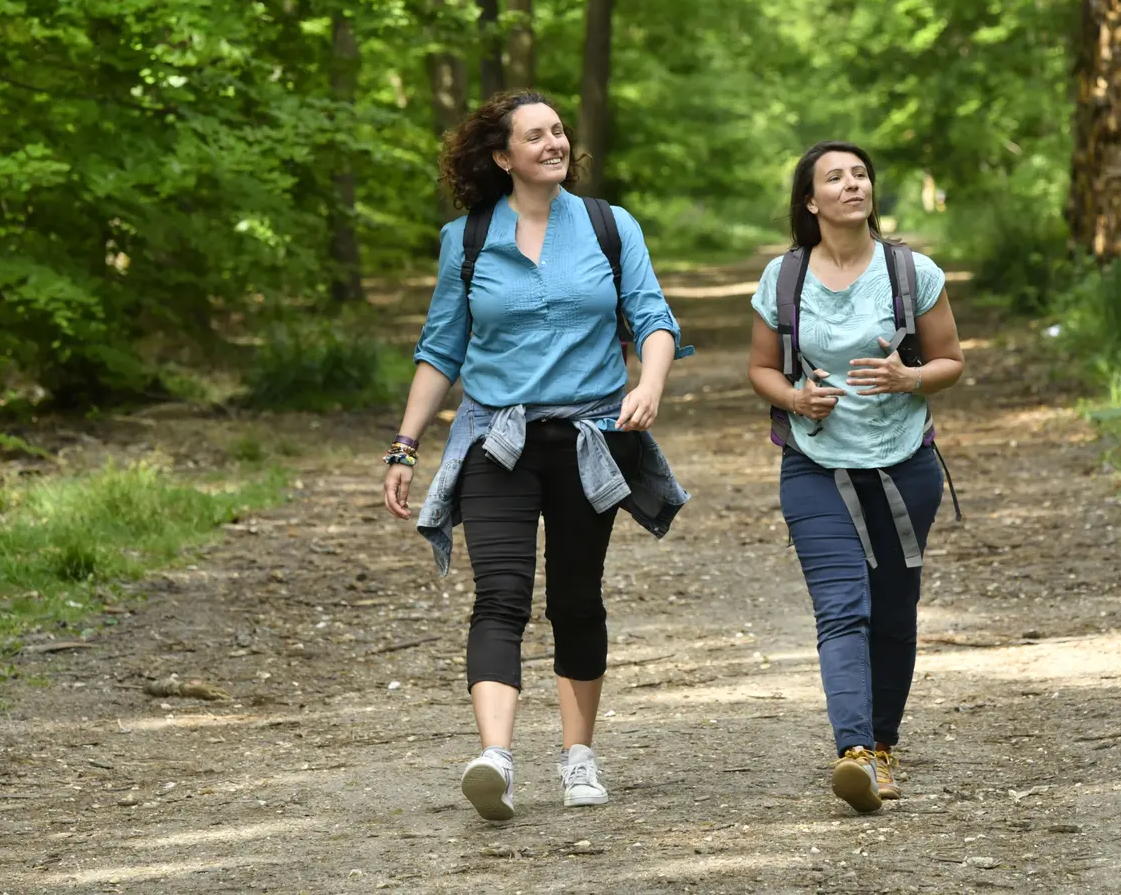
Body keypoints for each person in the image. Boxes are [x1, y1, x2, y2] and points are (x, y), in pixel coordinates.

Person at [382, 90, 692, 823]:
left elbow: (653, 317)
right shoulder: (466, 238)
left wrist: (648, 383)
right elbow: (441, 348)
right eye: (536, 135)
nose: (555, 143)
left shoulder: (610, 226)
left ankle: (578, 757)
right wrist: (405, 445)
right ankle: (496, 759)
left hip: (590, 438)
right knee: (500, 595)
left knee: (577, 599)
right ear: (502, 156)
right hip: (499, 439)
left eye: (559, 131)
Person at [746, 140, 965, 813]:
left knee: (894, 613)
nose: (852, 185)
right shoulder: (783, 281)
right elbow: (760, 371)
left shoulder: (911, 271)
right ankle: (855, 753)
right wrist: (794, 400)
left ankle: (885, 745)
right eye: (835, 178)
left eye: (860, 174)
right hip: (814, 466)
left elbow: (951, 361)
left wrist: (908, 377)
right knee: (843, 608)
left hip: (905, 466)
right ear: (810, 201)